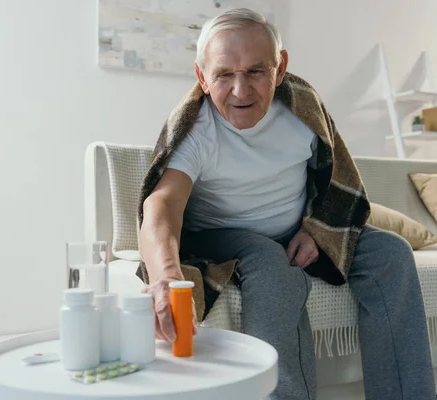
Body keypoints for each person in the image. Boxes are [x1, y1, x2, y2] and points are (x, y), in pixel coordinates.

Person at [138, 7, 435, 400]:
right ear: (202, 77)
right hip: (222, 235)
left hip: (296, 226)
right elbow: (163, 205)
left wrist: (317, 231)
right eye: (224, 74)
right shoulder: (195, 129)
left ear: (280, 69)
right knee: (271, 264)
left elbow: (338, 180)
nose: (241, 90)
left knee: (393, 252)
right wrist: (167, 277)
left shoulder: (302, 109)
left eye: (256, 71)